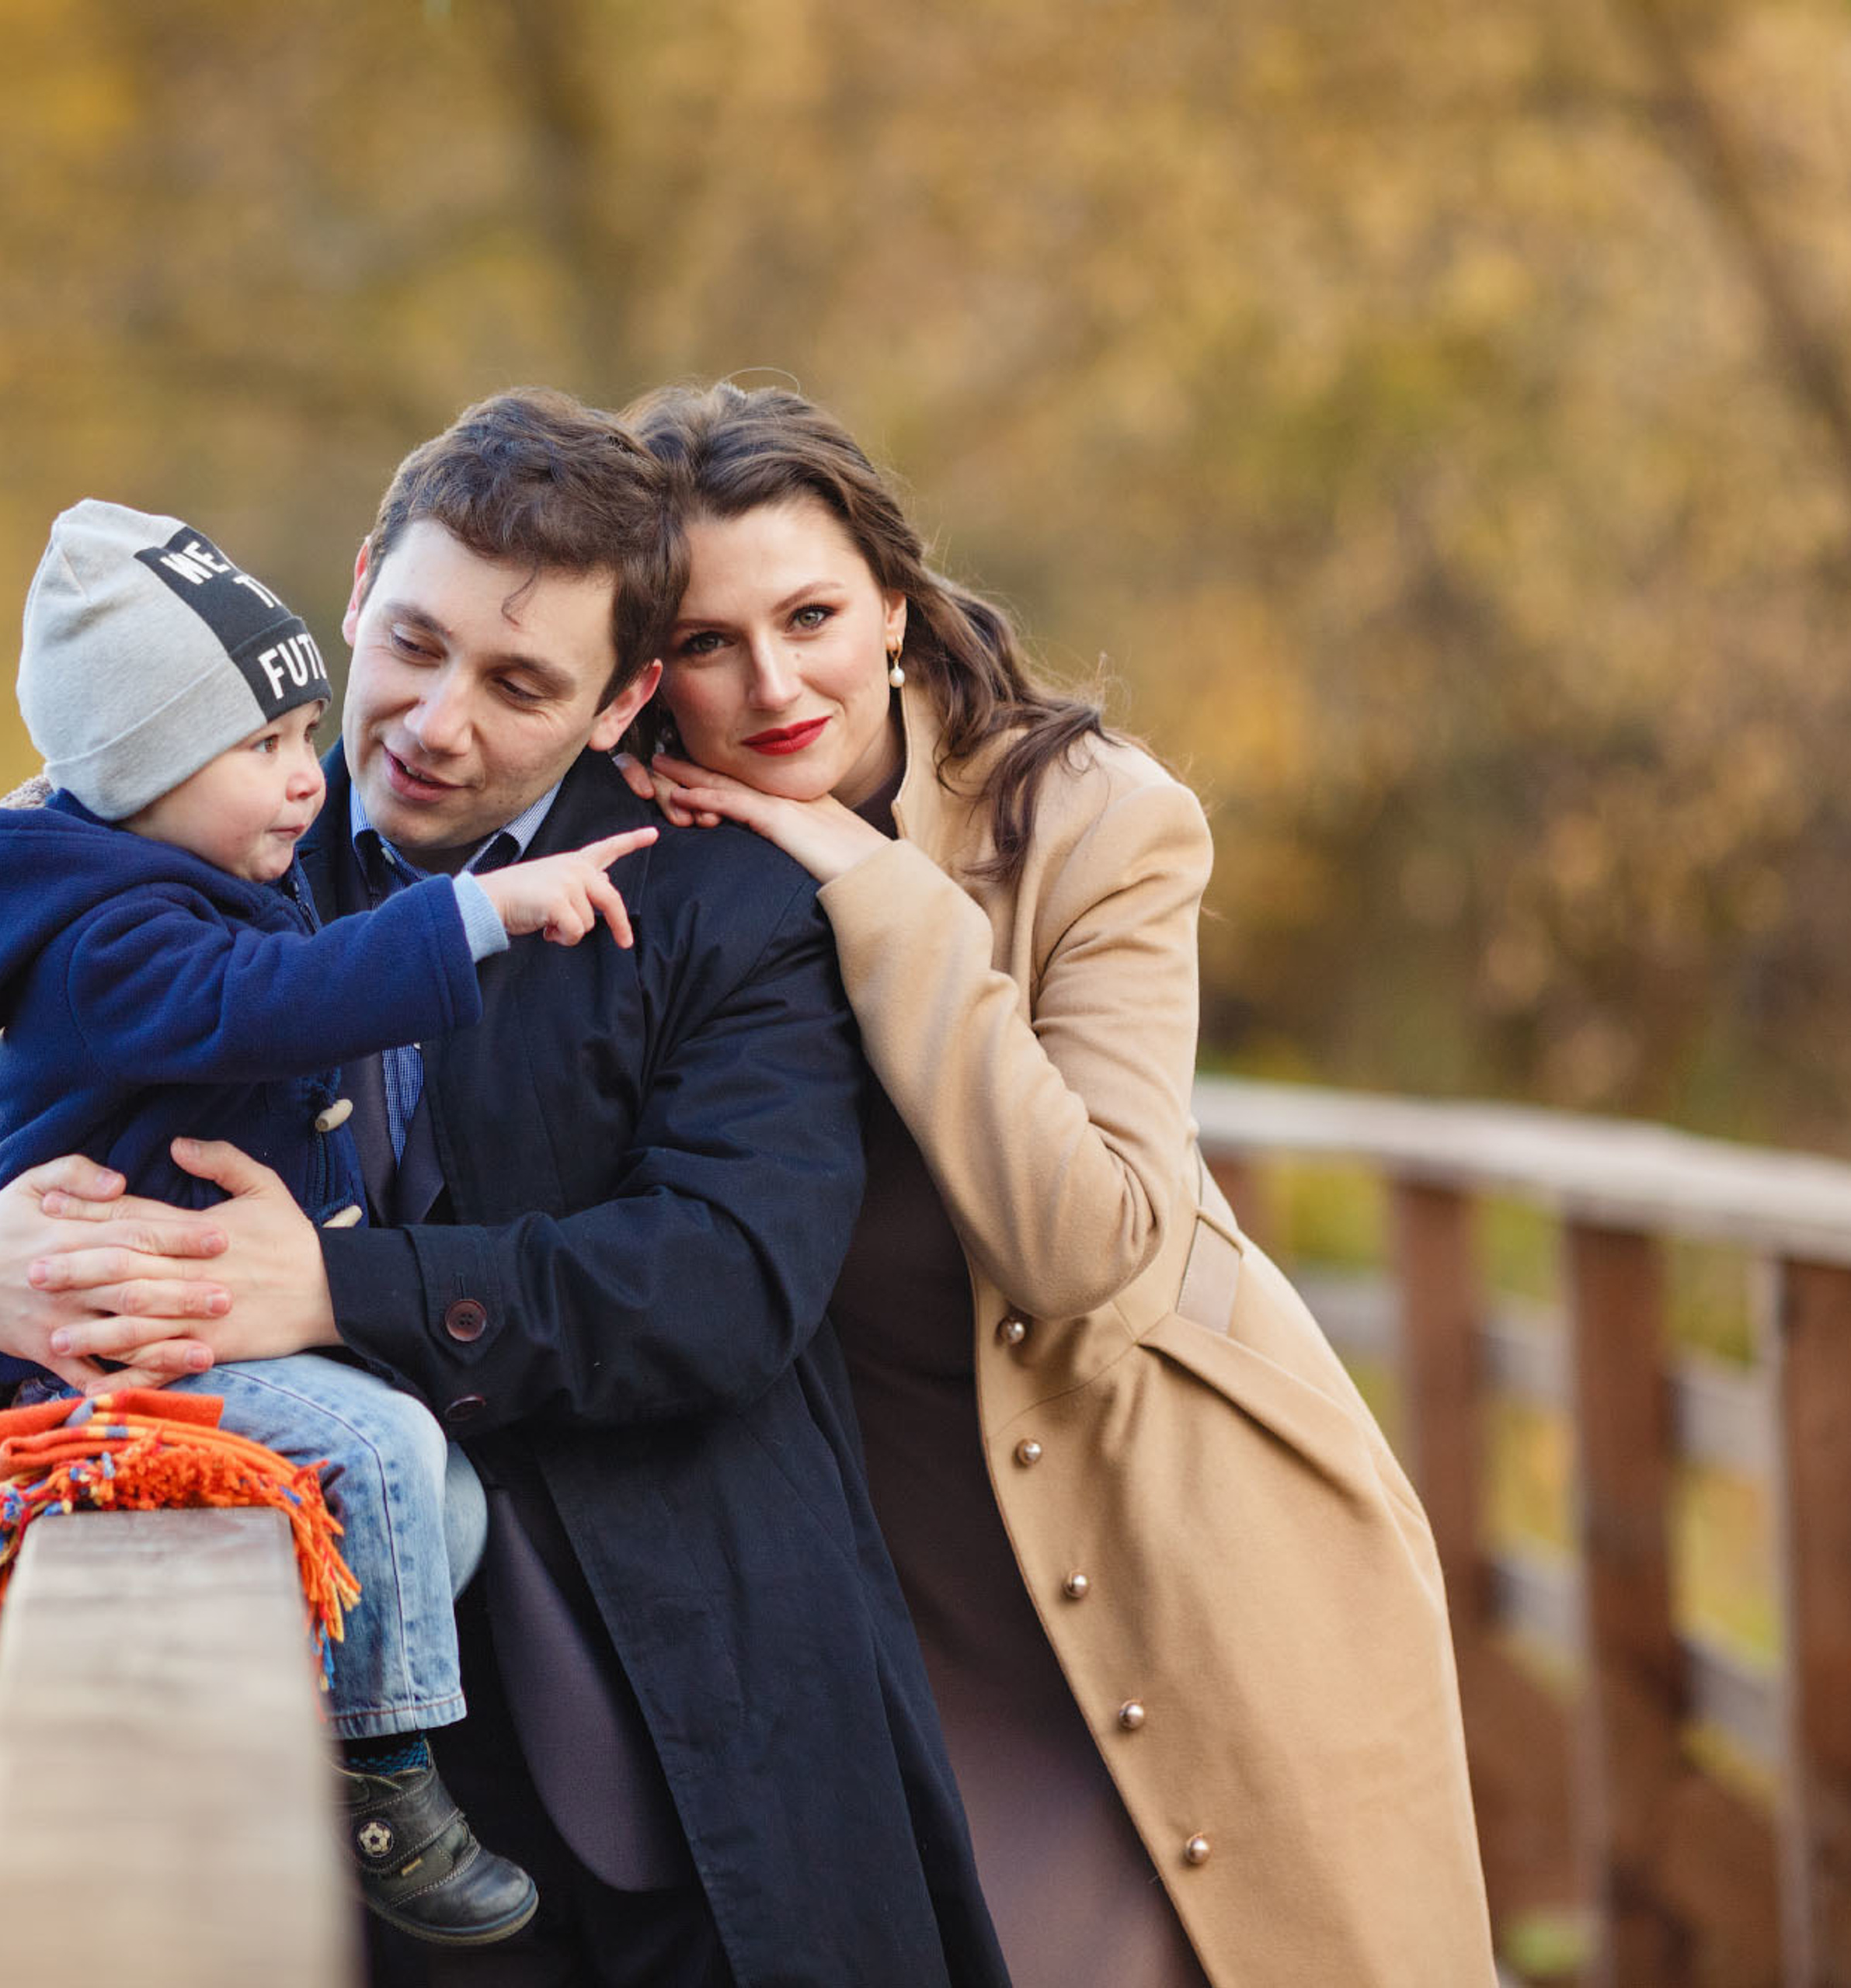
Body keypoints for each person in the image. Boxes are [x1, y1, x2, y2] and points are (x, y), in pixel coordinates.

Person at [0, 394, 1008, 1988]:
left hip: (697, 1696)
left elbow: (728, 1278)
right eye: (409, 643)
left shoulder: (723, 906)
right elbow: (65, 1132)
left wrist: (335, 1291)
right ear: (353, 589)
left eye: (518, 681)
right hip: (339, 1739)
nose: (430, 720)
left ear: (622, 701)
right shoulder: (202, 835)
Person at [607, 381, 1502, 1988]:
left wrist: (871, 883)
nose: (772, 682)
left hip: (1192, 1540)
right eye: (702, 642)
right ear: (643, 669)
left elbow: (1089, 1245)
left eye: (810, 614)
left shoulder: (1095, 822)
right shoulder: (623, 858)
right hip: (893, 1586)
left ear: (891, 601)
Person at [0, 496, 665, 1948]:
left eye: (295, 735)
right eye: (258, 752)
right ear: (141, 780)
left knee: (428, 1503)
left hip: (213, 1332)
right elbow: (276, 1005)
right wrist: (488, 914)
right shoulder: (121, 934)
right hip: (130, 1348)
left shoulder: (188, 869)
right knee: (387, 1449)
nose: (305, 781)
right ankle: (388, 1784)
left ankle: (311, 1687)